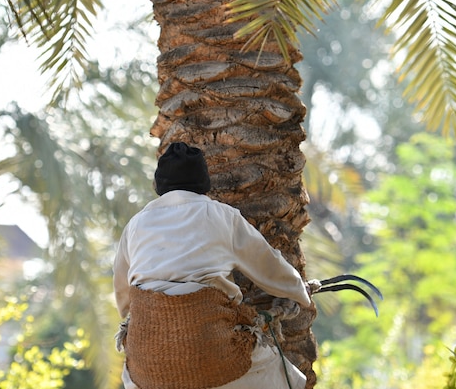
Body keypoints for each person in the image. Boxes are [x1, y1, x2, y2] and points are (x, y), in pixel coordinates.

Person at [113, 142, 311, 389]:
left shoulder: (136, 224)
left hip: (148, 363)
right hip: (211, 352)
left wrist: (129, 312)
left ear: (159, 185)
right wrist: (300, 292)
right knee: (283, 377)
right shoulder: (221, 215)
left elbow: (122, 288)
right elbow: (265, 263)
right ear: (203, 182)